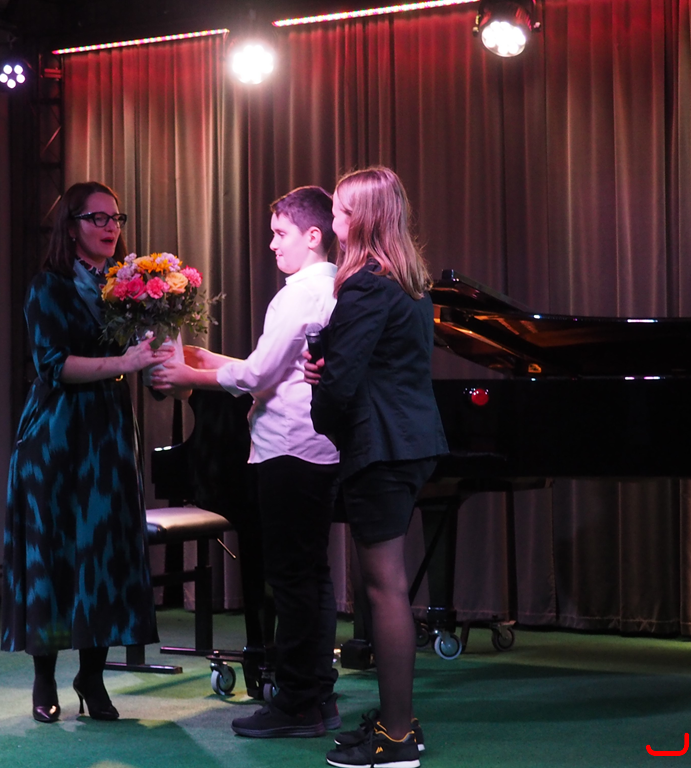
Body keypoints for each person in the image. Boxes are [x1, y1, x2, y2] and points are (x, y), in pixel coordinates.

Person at [152, 186, 341, 738]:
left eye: (281, 234)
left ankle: (297, 703)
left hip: (288, 448)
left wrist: (191, 374)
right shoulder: (332, 287)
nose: (272, 244)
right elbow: (276, 366)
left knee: (293, 581)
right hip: (316, 448)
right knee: (312, 577)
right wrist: (216, 359)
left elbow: (259, 377)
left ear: (313, 235)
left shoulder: (298, 294)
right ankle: (317, 696)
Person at [1, 181, 171, 724]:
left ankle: (91, 678)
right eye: (97, 218)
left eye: (115, 218)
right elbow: (53, 365)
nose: (110, 227)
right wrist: (126, 363)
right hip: (55, 437)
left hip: (108, 435)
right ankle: (45, 679)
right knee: (52, 558)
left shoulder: (131, 287)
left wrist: (165, 364)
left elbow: (149, 359)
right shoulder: (47, 287)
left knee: (104, 555)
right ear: (71, 227)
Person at [304, 167, 448, 768]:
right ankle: (397, 722)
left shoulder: (365, 284)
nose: (333, 220)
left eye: (340, 211)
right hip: (410, 442)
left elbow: (342, 385)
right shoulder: (409, 285)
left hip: (382, 446)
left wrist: (320, 381)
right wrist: (330, 367)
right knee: (386, 587)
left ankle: (396, 737)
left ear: (361, 219)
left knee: (384, 588)